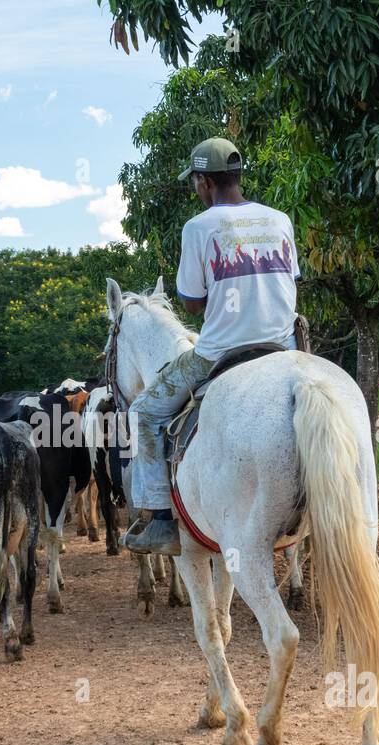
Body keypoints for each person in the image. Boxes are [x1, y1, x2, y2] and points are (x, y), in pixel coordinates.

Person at [121, 137, 302, 556]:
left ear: (204, 182)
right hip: (285, 346)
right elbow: (289, 282)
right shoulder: (280, 218)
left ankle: (161, 521)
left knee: (144, 411)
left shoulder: (199, 228)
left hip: (219, 352)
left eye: (195, 182)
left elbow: (192, 300)